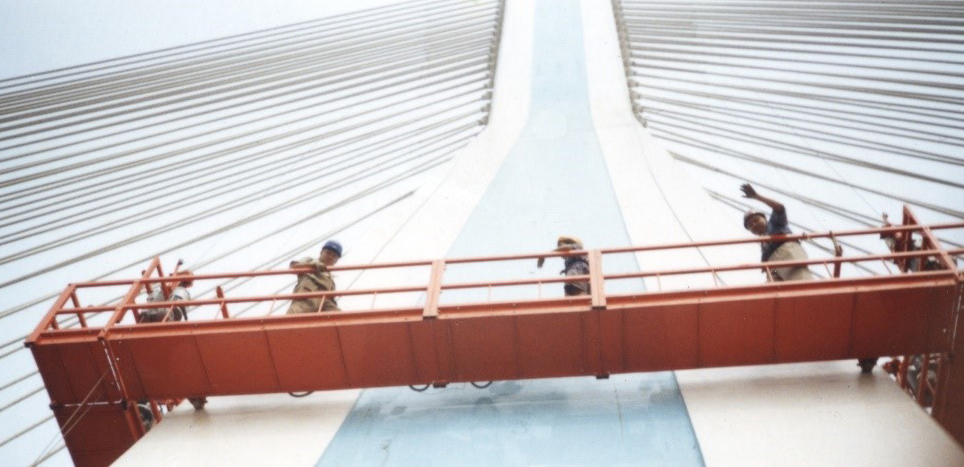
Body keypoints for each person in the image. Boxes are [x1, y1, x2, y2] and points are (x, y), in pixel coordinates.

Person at [741, 183, 813, 282]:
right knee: (773, 289)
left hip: (786, 251)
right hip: (773, 264)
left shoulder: (774, 223)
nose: (754, 225)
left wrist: (757, 196)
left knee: (800, 280)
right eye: (750, 225)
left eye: (756, 220)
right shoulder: (763, 243)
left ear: (764, 219)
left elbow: (779, 208)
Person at [287, 240, 342, 314]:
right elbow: (293, 267)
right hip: (305, 299)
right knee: (293, 317)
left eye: (334, 256)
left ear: (336, 260)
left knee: (340, 317)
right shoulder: (310, 260)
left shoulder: (330, 279)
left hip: (324, 302)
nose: (330, 257)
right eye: (328, 253)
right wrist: (312, 266)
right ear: (321, 252)